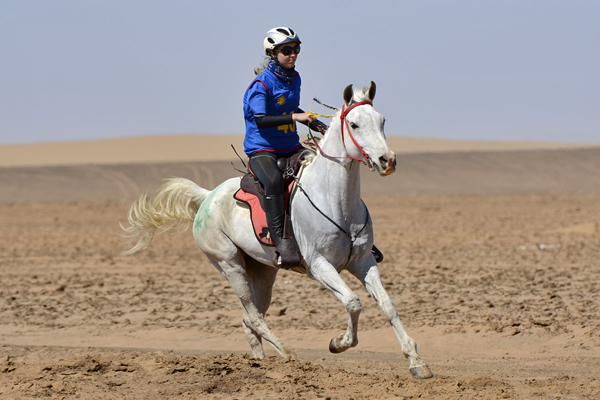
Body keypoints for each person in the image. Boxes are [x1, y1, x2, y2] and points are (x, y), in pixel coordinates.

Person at [243, 27, 315, 267]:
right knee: (273, 180)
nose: (293, 54)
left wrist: (313, 121)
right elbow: (261, 119)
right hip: (263, 150)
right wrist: (295, 118)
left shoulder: (295, 78)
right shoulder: (260, 85)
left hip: (291, 147)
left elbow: (290, 109)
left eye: (296, 49)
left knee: (324, 168)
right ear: (272, 53)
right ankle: (280, 241)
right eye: (287, 50)